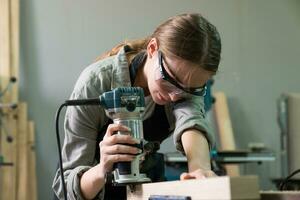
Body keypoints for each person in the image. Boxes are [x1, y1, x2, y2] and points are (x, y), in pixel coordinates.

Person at [52, 13, 221, 200]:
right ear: (152, 48)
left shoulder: (185, 84)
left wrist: (200, 171)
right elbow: (66, 190)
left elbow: (192, 123)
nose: (175, 95)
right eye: (169, 80)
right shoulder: (95, 83)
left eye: (190, 90)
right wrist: (103, 168)